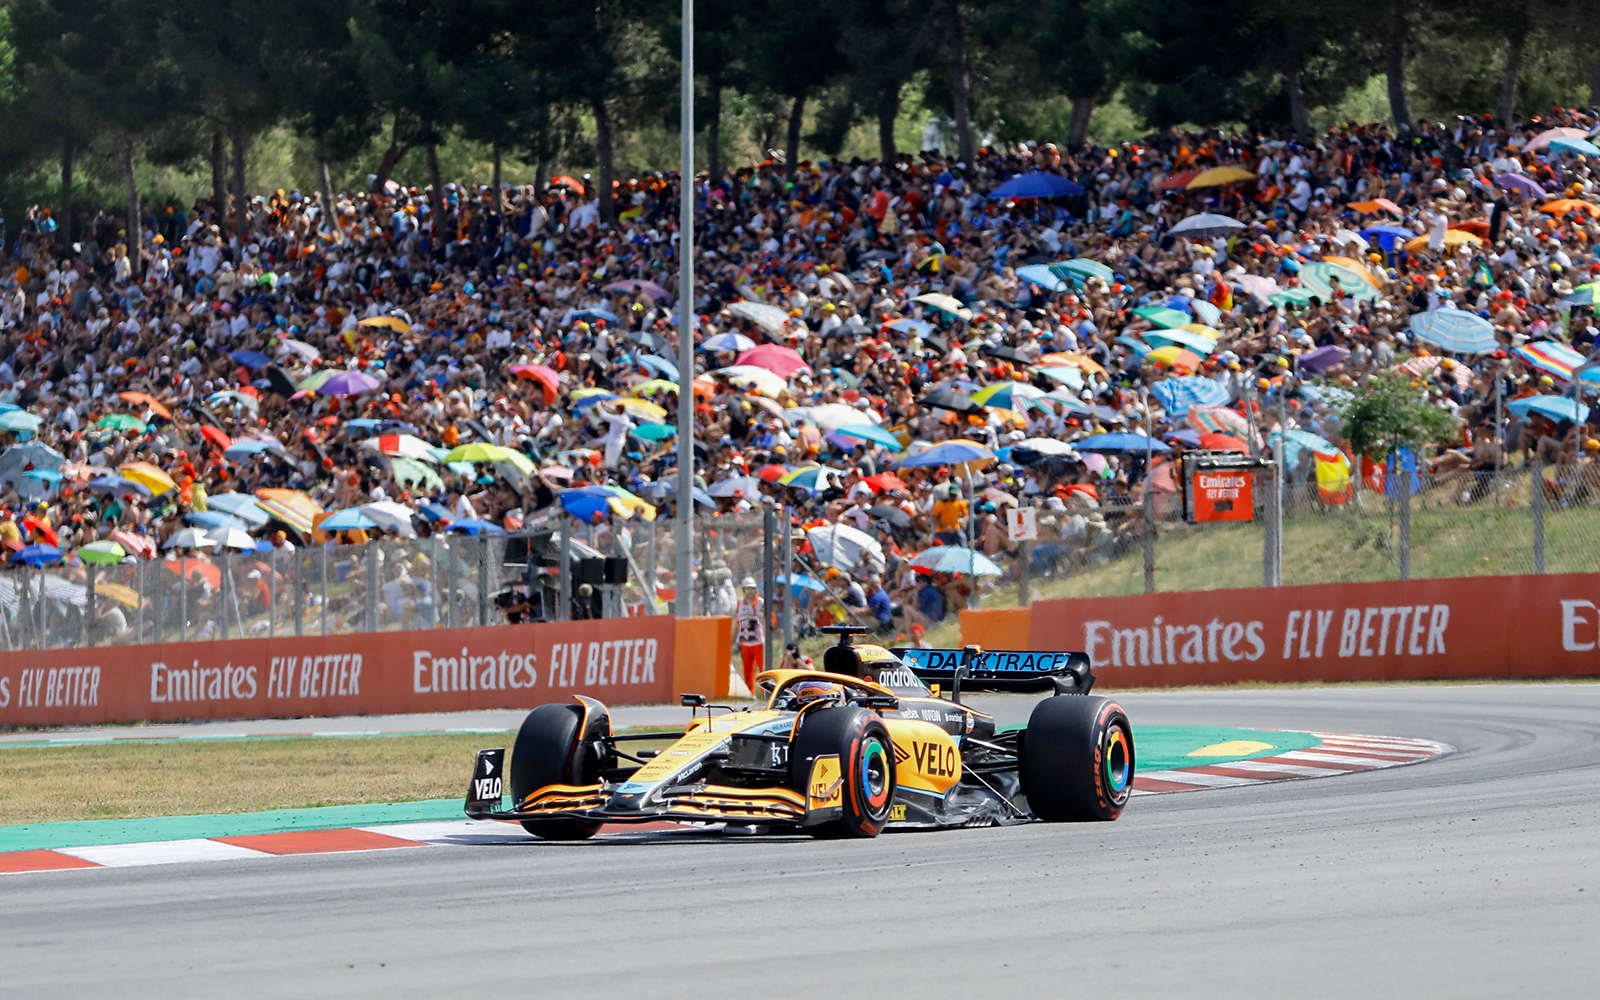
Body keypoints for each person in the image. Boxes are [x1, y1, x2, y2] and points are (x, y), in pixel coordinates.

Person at [734, 576, 764, 691]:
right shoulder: (740, 603)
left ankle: (765, 693)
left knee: (763, 669)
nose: (749, 592)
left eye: (751, 589)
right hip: (745, 642)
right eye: (747, 589)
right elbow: (737, 622)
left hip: (759, 641)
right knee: (747, 670)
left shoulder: (760, 602)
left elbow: (769, 620)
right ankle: (750, 692)